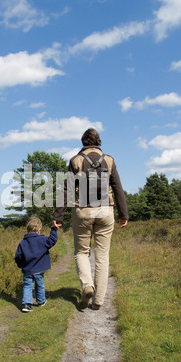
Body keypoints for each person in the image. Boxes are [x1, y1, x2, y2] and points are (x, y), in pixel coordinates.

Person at [53, 128, 128, 311]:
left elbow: (67, 189)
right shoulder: (109, 160)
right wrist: (123, 215)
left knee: (81, 252)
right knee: (102, 255)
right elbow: (118, 188)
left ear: (83, 142)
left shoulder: (76, 160)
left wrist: (58, 216)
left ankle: (87, 286)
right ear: (98, 141)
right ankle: (98, 300)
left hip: (83, 211)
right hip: (105, 211)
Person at [15, 217, 58, 313]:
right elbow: (52, 240)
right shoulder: (42, 239)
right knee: (40, 285)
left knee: (27, 286)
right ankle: (41, 301)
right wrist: (54, 229)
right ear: (39, 229)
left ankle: (26, 304)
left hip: (27, 269)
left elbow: (18, 256)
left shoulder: (23, 242)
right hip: (39, 269)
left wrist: (20, 265)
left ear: (28, 229)